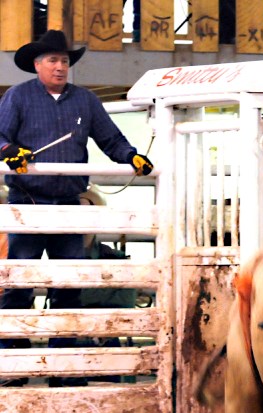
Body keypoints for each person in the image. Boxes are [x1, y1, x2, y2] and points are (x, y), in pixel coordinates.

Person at [0, 29, 154, 350]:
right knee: (18, 280)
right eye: (53, 60)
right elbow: (0, 137)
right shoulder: (17, 96)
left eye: (65, 61)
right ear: (38, 64)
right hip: (27, 204)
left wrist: (131, 155)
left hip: (69, 205)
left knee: (70, 282)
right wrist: (8, 151)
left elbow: (110, 138)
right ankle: (12, 353)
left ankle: (63, 357)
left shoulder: (86, 100)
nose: (60, 67)